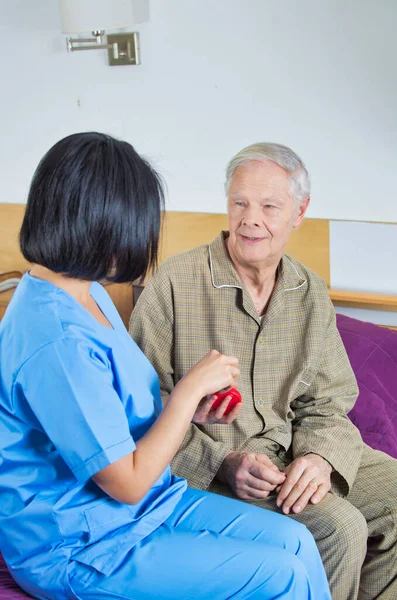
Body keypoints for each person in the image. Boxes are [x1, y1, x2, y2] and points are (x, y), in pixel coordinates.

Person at [0, 133, 331, 600]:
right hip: (81, 542)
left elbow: (110, 409)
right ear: (98, 222)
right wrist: (185, 394)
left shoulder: (88, 292)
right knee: (280, 574)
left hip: (147, 504)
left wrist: (191, 410)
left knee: (297, 540)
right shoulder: (54, 340)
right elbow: (127, 483)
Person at [130, 142, 397, 600]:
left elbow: (329, 400)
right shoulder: (174, 283)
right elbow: (139, 407)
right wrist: (222, 463)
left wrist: (321, 459)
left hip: (293, 449)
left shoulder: (308, 289)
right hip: (216, 465)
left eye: (269, 206)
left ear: (300, 211)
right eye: (239, 203)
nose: (250, 219)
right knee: (340, 527)